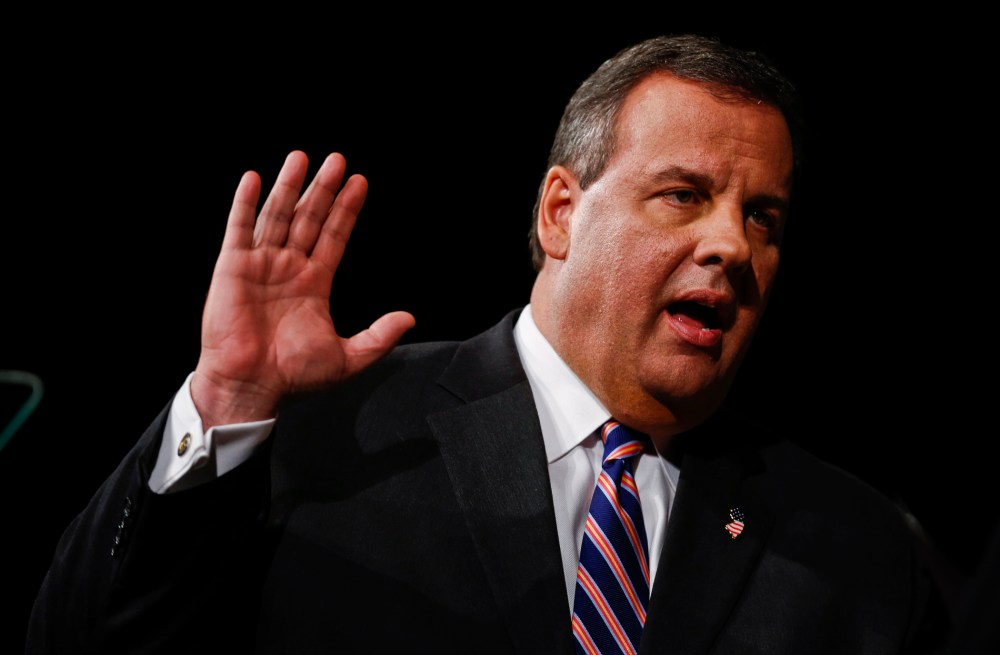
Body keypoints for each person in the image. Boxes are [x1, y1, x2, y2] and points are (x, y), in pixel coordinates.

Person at [26, 34, 945, 654]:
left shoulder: (856, 545)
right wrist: (226, 403)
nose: (733, 246)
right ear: (561, 213)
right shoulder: (332, 432)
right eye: (684, 195)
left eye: (763, 217)